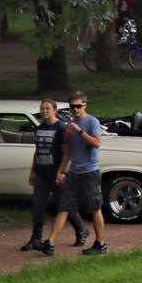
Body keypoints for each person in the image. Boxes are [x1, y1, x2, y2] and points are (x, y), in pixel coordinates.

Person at [27, 99, 84, 255]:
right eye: (42, 108)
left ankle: (81, 230)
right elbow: (37, 151)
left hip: (56, 172)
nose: (44, 111)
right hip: (42, 173)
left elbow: (67, 152)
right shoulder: (39, 128)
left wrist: (62, 172)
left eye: (48, 108)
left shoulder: (61, 128)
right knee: (38, 206)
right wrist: (32, 171)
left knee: (63, 205)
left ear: (55, 111)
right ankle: (35, 239)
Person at [62, 93, 109, 255]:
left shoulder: (92, 122)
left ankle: (100, 243)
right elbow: (68, 149)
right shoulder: (70, 124)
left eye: (78, 106)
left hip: (90, 171)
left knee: (94, 207)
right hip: (74, 171)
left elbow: (96, 143)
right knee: (64, 206)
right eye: (72, 106)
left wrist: (80, 131)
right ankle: (50, 242)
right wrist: (63, 170)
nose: (75, 109)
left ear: (85, 105)